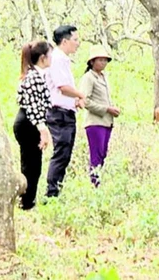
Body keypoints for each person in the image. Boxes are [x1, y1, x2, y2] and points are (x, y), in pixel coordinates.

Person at [45, 25, 87, 198]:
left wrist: (75, 99)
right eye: (75, 40)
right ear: (65, 41)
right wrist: (80, 94)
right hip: (58, 113)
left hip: (66, 112)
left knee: (65, 152)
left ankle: (57, 189)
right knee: (61, 152)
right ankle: (52, 193)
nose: (78, 44)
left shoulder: (64, 60)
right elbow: (62, 87)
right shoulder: (56, 59)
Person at [13, 41, 53, 210]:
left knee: (31, 164)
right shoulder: (34, 77)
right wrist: (42, 129)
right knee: (32, 165)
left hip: (29, 122)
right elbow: (33, 106)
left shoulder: (35, 75)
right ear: (43, 58)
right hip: (29, 123)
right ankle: (27, 202)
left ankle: (27, 200)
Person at [79, 45, 120, 187]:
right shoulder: (88, 78)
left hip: (107, 122)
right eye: (100, 60)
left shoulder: (104, 77)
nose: (103, 63)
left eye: (105, 60)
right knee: (96, 156)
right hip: (95, 123)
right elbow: (84, 101)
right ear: (92, 62)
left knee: (103, 154)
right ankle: (95, 185)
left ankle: (98, 182)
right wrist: (107, 109)